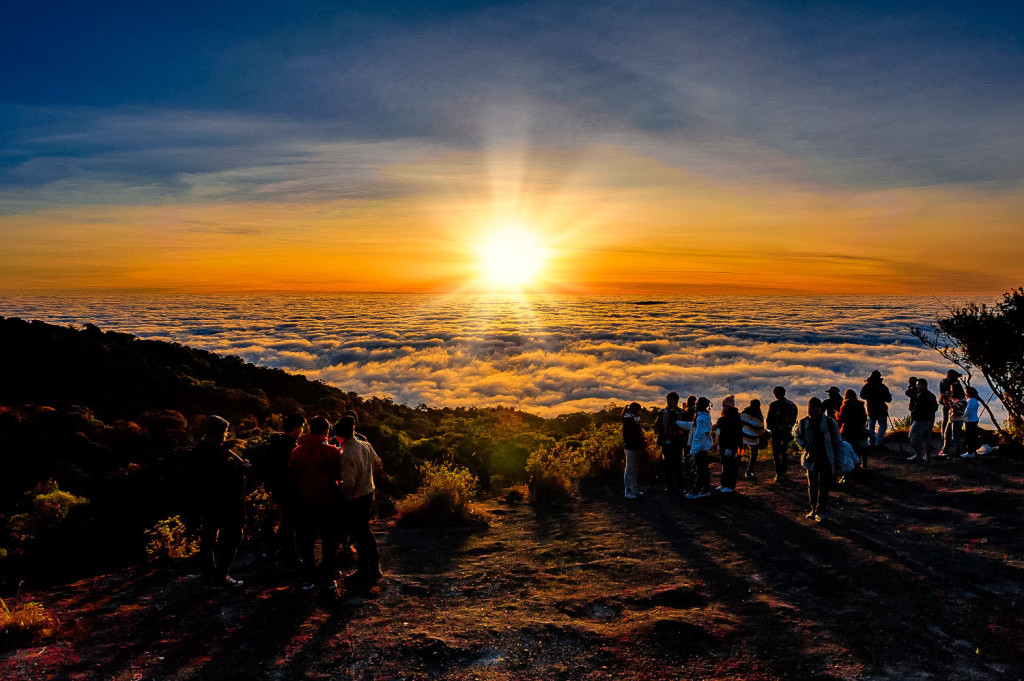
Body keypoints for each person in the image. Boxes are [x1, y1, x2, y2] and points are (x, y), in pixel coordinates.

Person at [192, 415, 250, 588]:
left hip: (206, 501)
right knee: (234, 536)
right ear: (218, 433)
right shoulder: (216, 453)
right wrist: (243, 468)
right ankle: (221, 575)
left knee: (209, 538)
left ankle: (209, 577)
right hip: (225, 503)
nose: (226, 434)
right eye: (224, 431)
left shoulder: (200, 449)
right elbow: (227, 477)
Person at [288, 415, 343, 590]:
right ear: (327, 431)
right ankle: (328, 577)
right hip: (328, 502)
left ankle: (308, 578)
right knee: (329, 540)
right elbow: (339, 477)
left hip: (304, 502)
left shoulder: (297, 452)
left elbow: (292, 477)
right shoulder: (333, 452)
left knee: (306, 541)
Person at [336, 415, 384, 585]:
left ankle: (366, 570)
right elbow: (378, 463)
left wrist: (339, 490)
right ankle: (372, 568)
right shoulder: (366, 445)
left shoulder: (346, 454)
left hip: (355, 498)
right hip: (369, 492)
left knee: (361, 533)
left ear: (340, 436)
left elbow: (348, 484)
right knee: (364, 531)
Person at [260, 413, 305, 566]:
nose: (302, 431)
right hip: (290, 490)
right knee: (290, 524)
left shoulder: (274, 443)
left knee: (286, 522)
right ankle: (289, 558)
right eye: (301, 428)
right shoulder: (291, 447)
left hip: (277, 489)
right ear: (295, 428)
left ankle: (273, 551)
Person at [796, 397, 842, 522]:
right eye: (813, 408)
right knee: (812, 485)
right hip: (812, 458)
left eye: (818, 407)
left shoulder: (829, 422)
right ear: (809, 409)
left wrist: (839, 459)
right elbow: (798, 436)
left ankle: (820, 510)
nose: (816, 410)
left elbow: (837, 441)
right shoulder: (804, 422)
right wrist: (805, 446)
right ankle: (814, 509)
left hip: (826, 457)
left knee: (824, 485)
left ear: (821, 409)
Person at [653, 392, 686, 492]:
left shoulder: (681, 413)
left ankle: (679, 486)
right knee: (668, 465)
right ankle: (670, 485)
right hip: (667, 441)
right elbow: (658, 426)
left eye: (670, 400)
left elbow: (686, 427)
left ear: (675, 401)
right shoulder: (663, 412)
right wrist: (663, 435)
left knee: (677, 464)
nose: (668, 402)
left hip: (677, 442)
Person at [766, 386, 798, 481]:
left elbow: (769, 418)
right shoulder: (792, 405)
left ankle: (778, 473)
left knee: (776, 452)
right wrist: (789, 426)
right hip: (786, 431)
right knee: (783, 451)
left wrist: (770, 428)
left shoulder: (774, 405)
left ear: (775, 394)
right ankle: (783, 470)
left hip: (776, 431)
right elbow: (793, 418)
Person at [685, 397, 714, 499]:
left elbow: (698, 435)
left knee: (700, 470)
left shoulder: (700, 419)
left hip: (699, 449)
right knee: (704, 470)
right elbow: (694, 428)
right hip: (703, 448)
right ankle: (706, 489)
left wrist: (693, 450)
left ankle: (696, 491)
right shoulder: (705, 417)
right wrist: (678, 423)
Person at [715, 396, 743, 493]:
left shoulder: (734, 418)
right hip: (724, 445)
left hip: (730, 445)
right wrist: (719, 443)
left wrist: (731, 447)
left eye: (724, 405)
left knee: (730, 465)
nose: (723, 407)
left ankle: (730, 485)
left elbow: (735, 434)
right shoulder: (727, 418)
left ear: (728, 406)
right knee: (724, 464)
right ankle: (724, 484)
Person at [907, 379, 939, 462]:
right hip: (930, 419)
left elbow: (915, 407)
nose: (916, 386)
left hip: (920, 419)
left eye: (918, 385)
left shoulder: (921, 395)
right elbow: (935, 407)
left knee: (913, 436)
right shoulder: (930, 395)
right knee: (926, 438)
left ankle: (918, 454)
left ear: (923, 385)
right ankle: (926, 456)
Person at [860, 370, 893, 450]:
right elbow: (888, 399)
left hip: (871, 409)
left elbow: (862, 395)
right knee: (883, 426)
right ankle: (878, 443)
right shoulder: (882, 387)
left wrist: (870, 398)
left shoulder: (867, 386)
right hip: (881, 410)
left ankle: (871, 443)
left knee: (871, 427)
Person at [837, 388, 869, 469]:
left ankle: (852, 466)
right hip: (859, 430)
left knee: (850, 448)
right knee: (859, 448)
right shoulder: (860, 406)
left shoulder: (844, 406)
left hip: (847, 430)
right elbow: (864, 418)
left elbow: (841, 419)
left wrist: (838, 430)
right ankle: (860, 464)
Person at [621, 402, 645, 500]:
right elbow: (629, 436)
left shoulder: (632, 420)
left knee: (634, 469)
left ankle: (634, 489)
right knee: (630, 469)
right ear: (635, 411)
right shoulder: (628, 421)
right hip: (631, 448)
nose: (640, 412)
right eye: (639, 410)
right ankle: (628, 491)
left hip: (635, 447)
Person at [741, 399, 766, 480]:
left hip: (743, 437)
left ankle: (735, 470)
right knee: (754, 455)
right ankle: (748, 472)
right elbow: (761, 429)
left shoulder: (744, 414)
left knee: (740, 453)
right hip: (753, 439)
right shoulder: (759, 416)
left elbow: (739, 423)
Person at [940, 383, 967, 458]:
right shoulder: (953, 398)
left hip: (958, 419)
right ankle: (945, 450)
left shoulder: (962, 400)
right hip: (951, 418)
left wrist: (949, 400)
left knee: (956, 437)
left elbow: (957, 407)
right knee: (947, 434)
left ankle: (958, 453)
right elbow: (949, 407)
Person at [939, 369, 963, 435]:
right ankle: (952, 434)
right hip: (955, 403)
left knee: (945, 419)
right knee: (954, 420)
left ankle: (944, 434)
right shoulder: (954, 383)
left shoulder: (942, 382)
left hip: (945, 403)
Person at [679, 395, 698, 476]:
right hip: (694, 436)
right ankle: (693, 470)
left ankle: (687, 471)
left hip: (686, 436)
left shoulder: (685, 413)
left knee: (687, 454)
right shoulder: (696, 413)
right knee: (693, 454)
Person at [961, 386, 982, 458]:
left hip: (970, 421)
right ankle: (972, 451)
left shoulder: (971, 401)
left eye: (966, 392)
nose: (965, 394)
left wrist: (961, 417)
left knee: (969, 437)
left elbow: (967, 412)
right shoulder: (974, 400)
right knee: (972, 436)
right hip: (973, 420)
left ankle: (970, 452)